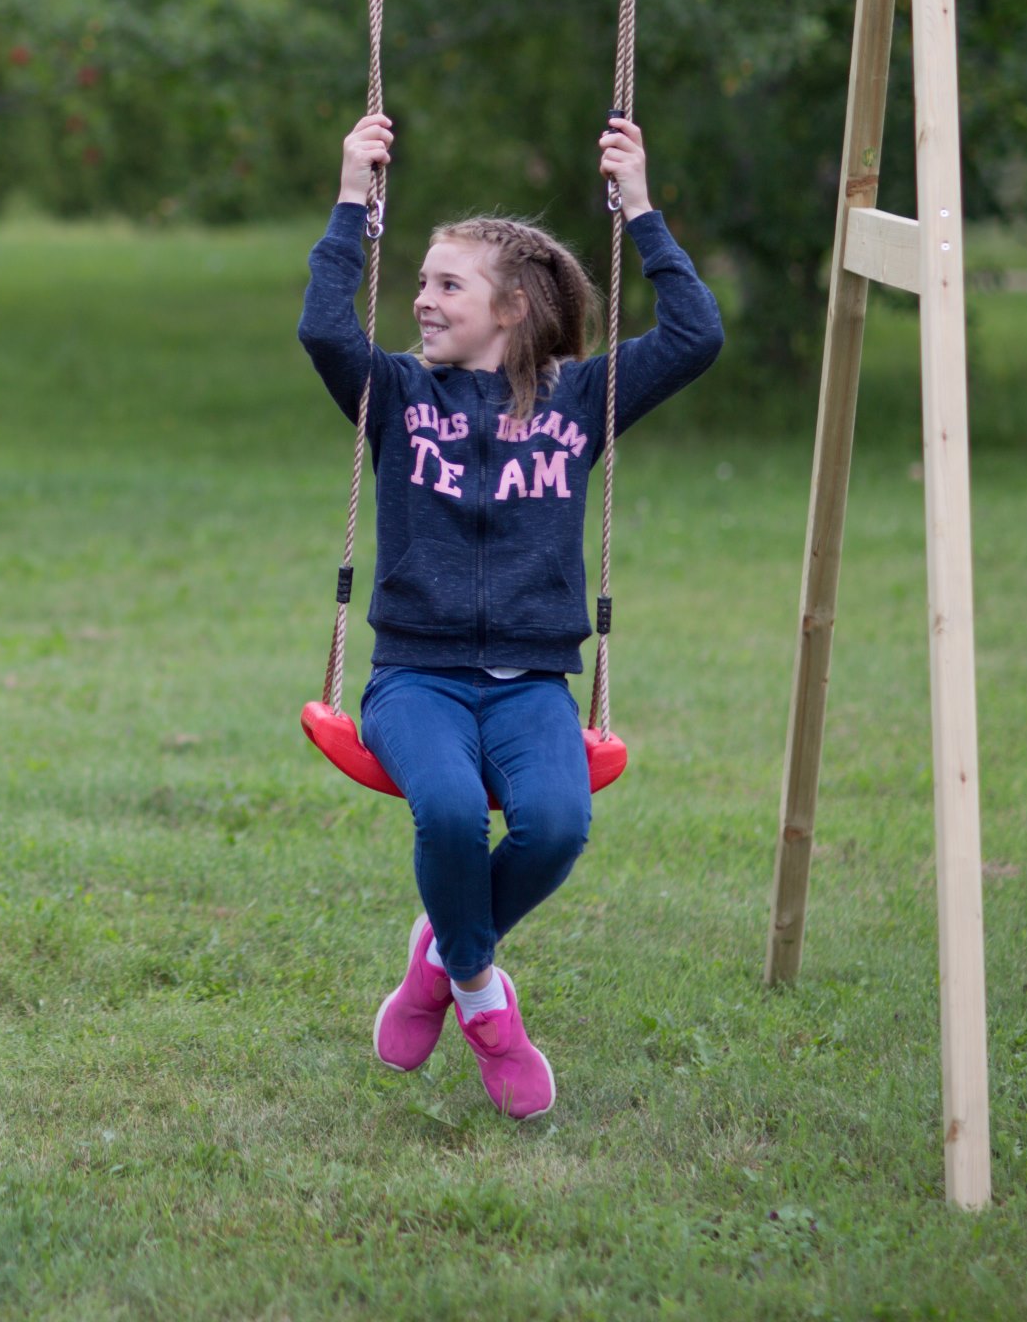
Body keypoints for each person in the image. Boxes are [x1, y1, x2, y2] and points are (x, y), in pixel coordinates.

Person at [299, 109, 721, 1118]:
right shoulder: (396, 395)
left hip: (533, 682)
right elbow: (323, 325)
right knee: (445, 811)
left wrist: (643, 212)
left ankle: (440, 953)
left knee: (558, 826)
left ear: (514, 306)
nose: (423, 300)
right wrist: (353, 197)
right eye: (420, 282)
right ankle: (485, 1004)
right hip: (416, 678)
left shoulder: (580, 401)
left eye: (449, 285)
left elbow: (696, 333)